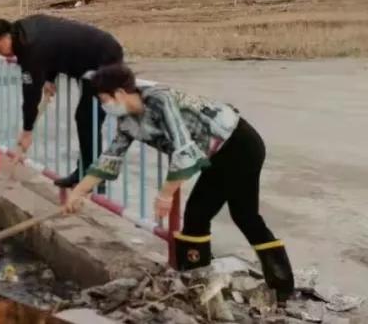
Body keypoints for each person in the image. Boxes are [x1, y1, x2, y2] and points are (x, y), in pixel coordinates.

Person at [63, 63, 294, 301]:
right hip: (222, 152)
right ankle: (281, 287)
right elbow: (109, 158)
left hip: (238, 144)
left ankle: (198, 287)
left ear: (120, 93)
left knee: (199, 215)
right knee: (244, 216)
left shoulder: (160, 101)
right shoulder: (128, 121)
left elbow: (184, 151)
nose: (104, 106)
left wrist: (165, 194)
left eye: (104, 99)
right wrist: (78, 192)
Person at [0, 15, 124, 187]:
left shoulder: (30, 47)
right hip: (89, 59)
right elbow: (53, 47)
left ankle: (92, 176)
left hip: (103, 58)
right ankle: (87, 173)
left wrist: (27, 131)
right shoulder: (23, 32)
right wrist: (49, 78)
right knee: (85, 117)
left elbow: (31, 94)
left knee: (88, 117)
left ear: (5, 37)